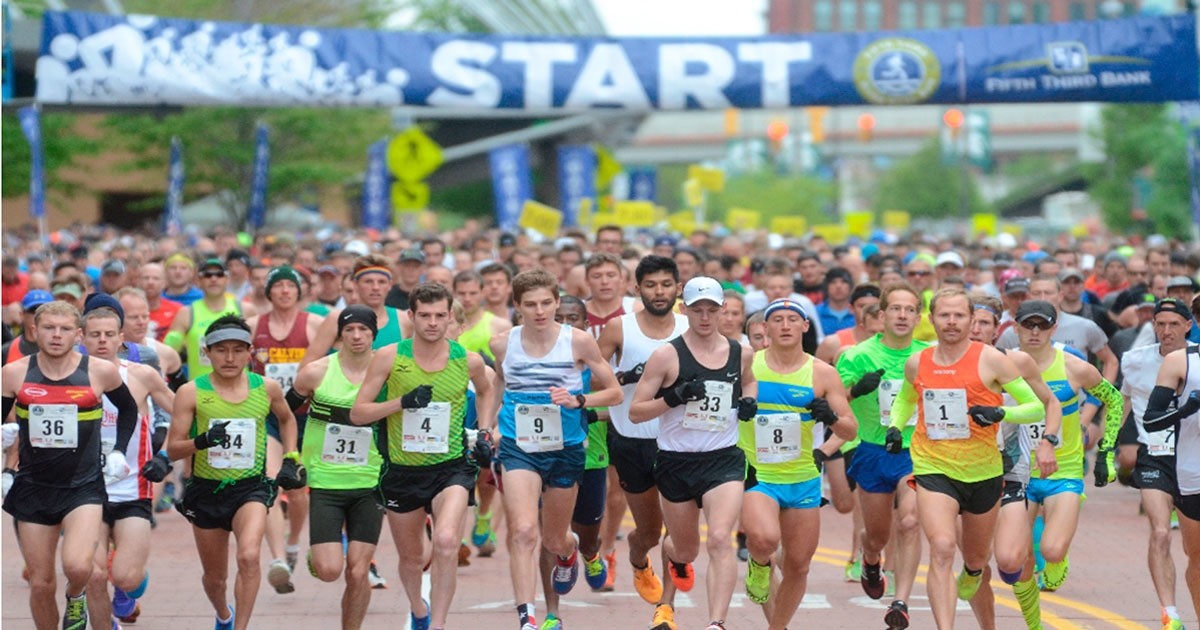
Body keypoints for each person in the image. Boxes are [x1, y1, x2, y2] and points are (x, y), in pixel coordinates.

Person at [885, 288, 1045, 629]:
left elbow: (1035, 407)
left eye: (959, 315)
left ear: (971, 320)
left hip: (984, 470)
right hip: (933, 466)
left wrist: (1000, 413)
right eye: (944, 315)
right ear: (931, 320)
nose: (952, 322)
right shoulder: (918, 362)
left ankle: (972, 571)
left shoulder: (992, 360)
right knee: (942, 547)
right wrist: (895, 427)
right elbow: (906, 399)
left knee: (976, 558)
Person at [352, 283, 495, 630]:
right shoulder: (389, 357)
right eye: (425, 316)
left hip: (451, 468)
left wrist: (485, 431)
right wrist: (401, 403)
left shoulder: (468, 360)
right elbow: (358, 413)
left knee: (445, 541)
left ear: (449, 317)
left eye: (440, 316)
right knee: (412, 558)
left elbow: (487, 390)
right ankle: (419, 609)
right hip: (402, 470)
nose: (432, 323)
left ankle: (438, 624)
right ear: (411, 316)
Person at [487, 269, 622, 630]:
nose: (540, 311)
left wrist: (579, 400)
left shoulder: (578, 341)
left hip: (566, 448)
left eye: (546, 303)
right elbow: (500, 382)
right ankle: (527, 618)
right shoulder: (502, 344)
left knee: (553, 538)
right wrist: (489, 426)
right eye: (530, 304)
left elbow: (615, 393)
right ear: (517, 306)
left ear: (557, 301)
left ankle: (569, 551)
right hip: (519, 447)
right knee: (523, 531)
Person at [1, 300, 141, 630]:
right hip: (33, 488)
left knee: (78, 567)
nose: (56, 335)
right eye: (49, 328)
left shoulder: (99, 371)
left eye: (65, 329)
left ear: (78, 335)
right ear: (34, 331)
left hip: (83, 487)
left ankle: (76, 595)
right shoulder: (14, 373)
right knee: (40, 583)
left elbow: (129, 410)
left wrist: (118, 451)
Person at [629, 276, 757, 630]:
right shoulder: (666, 355)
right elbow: (636, 411)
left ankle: (716, 622)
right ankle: (674, 559)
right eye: (697, 309)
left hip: (723, 459)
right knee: (686, 550)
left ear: (722, 311)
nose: (704, 317)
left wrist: (749, 400)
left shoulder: (740, 352)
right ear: (683, 309)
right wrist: (674, 397)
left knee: (719, 538)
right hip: (676, 462)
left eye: (711, 310)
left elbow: (748, 379)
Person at [165, 315, 305, 630]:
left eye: (238, 350)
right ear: (207, 353)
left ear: (249, 352)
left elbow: (287, 419)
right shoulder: (191, 392)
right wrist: (202, 441)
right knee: (215, 578)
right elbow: (172, 449)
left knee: (249, 556)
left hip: (250, 488)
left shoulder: (266, 388)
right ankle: (223, 615)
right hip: (206, 490)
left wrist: (290, 455)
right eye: (221, 350)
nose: (230, 358)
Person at [740, 298, 857, 630]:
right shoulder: (749, 366)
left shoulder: (822, 373)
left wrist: (830, 417)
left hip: (803, 475)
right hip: (757, 470)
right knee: (764, 539)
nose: (786, 325)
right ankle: (759, 564)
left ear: (805, 326)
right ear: (765, 328)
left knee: (799, 565)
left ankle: (777, 627)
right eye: (777, 320)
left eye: (793, 319)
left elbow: (850, 430)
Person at [596, 254, 690, 629]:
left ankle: (666, 607)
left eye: (666, 284)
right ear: (637, 289)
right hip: (632, 440)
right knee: (648, 532)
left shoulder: (690, 327)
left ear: (678, 288)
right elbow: (590, 378)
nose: (659, 291)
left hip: (679, 443)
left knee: (676, 530)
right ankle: (637, 559)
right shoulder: (619, 328)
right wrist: (623, 377)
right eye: (650, 285)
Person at [961, 294, 1062, 630]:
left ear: (997, 330)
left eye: (984, 323)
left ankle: (1034, 622)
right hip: (957, 471)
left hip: (1008, 471)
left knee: (1010, 562)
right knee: (975, 563)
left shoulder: (1016, 363)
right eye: (971, 321)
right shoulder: (940, 363)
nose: (975, 329)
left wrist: (1047, 442)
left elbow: (1050, 403)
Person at [837, 283, 931, 629]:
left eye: (910, 310)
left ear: (918, 317)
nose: (902, 315)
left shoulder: (929, 355)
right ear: (882, 314)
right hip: (873, 450)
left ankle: (900, 601)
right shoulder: (858, 355)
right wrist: (856, 389)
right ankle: (870, 558)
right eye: (895, 309)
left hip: (916, 451)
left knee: (909, 522)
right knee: (877, 535)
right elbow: (835, 401)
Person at [1013, 300, 1122, 597]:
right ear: (1016, 328)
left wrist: (1106, 452)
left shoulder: (1073, 367)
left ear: (1054, 329)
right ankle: (1032, 617)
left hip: (1064, 469)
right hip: (1017, 471)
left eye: (1043, 325)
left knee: (1052, 549)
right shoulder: (1003, 365)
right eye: (1028, 325)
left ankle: (1058, 557)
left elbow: (1114, 400)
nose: (1035, 332)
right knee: (1016, 558)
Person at [288, 305, 386, 630]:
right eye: (349, 330)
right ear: (339, 335)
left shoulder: (388, 372)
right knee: (330, 570)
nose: (356, 336)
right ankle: (318, 556)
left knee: (358, 571)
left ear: (373, 334)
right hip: (325, 481)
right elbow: (284, 414)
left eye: (363, 330)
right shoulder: (315, 373)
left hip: (370, 481)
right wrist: (290, 455)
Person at [79, 305, 175, 627]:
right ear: (82, 338)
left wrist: (165, 457)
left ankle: (127, 585)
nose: (102, 341)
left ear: (121, 338)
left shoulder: (141, 375)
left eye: (109, 334)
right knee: (92, 574)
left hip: (132, 487)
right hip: (85, 490)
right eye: (95, 334)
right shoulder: (71, 378)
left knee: (126, 576)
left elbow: (183, 413)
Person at [245, 265, 326, 594]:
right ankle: (278, 559)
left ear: (299, 291)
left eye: (290, 286)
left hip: (307, 416)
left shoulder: (315, 325)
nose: (284, 291)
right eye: (277, 286)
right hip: (270, 417)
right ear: (268, 292)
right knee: (270, 481)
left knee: (296, 489)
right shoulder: (254, 326)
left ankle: (293, 543)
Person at [1119, 299, 1195, 630]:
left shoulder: (1194, 360)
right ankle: (1170, 614)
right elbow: (1124, 401)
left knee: (1194, 551)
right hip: (1155, 455)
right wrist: (1110, 445)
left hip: (1191, 457)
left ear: (1188, 326)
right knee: (1161, 532)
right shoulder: (1135, 360)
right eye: (1160, 324)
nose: (1166, 331)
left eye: (1174, 324)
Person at [301, 254, 410, 369]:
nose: (375, 287)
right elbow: (307, 365)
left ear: (390, 285)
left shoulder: (404, 320)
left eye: (382, 282)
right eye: (368, 281)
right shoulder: (337, 319)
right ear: (356, 284)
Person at [165, 258, 255, 382]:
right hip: (201, 389)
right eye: (207, 275)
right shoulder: (186, 313)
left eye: (219, 274)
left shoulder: (246, 309)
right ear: (198, 281)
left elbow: (257, 351)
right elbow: (169, 350)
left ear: (227, 279)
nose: (213, 279)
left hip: (240, 388)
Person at [2, 289, 53, 364]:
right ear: (22, 315)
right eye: (34, 311)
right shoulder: (7, 350)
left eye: (46, 312)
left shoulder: (63, 349)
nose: (40, 316)